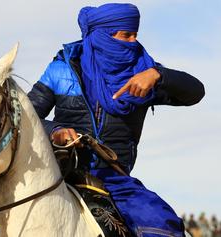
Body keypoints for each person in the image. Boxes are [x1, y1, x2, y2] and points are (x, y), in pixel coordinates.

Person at [27, 3, 205, 236]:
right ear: (103, 35)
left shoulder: (144, 72)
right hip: (59, 172)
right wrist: (55, 130)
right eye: (126, 35)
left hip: (115, 181)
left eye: (135, 35)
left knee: (162, 225)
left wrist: (160, 76)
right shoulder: (62, 68)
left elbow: (196, 93)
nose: (133, 41)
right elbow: (26, 116)